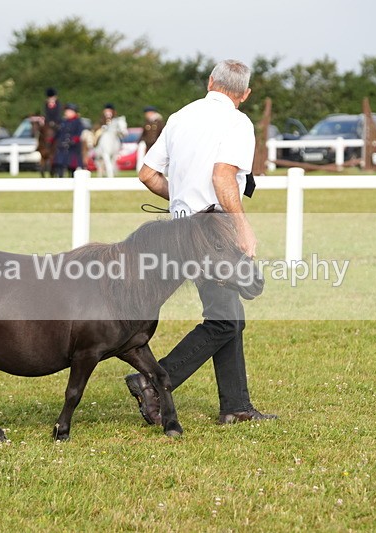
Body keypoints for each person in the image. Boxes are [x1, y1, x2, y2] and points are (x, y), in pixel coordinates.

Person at [124, 59, 276, 425]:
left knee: (228, 316)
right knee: (224, 320)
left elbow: (146, 174)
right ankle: (152, 381)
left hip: (180, 231)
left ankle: (236, 406)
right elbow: (223, 177)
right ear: (246, 94)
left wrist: (181, 201)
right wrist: (242, 227)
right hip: (212, 232)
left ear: (210, 82)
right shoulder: (237, 122)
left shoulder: (180, 116)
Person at [52, 103, 86, 178]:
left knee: (72, 167)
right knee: (59, 164)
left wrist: (74, 140)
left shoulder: (78, 122)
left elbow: (79, 133)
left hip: (73, 148)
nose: (66, 113)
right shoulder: (63, 122)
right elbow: (58, 133)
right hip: (62, 147)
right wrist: (52, 140)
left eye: (68, 111)